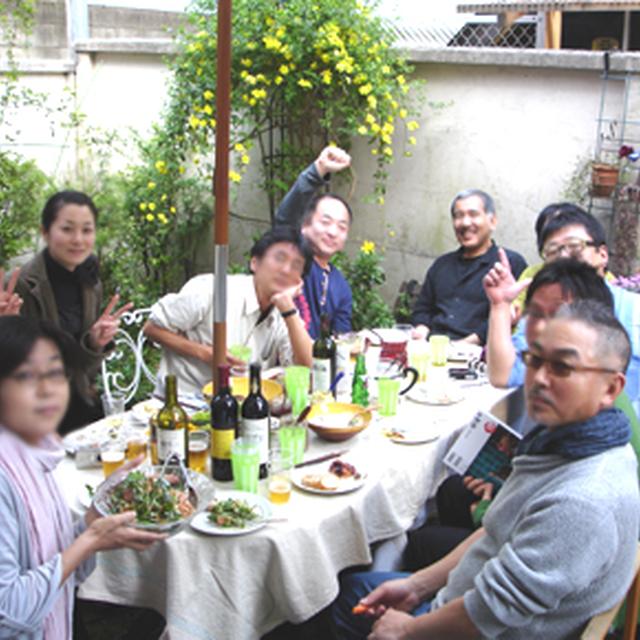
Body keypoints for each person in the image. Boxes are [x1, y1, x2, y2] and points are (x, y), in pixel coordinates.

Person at [333, 300, 639, 639]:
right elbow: (498, 531)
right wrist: (416, 585)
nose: (538, 380)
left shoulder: (582, 501)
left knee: (340, 603)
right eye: (534, 361)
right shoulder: (575, 442)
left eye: (563, 368)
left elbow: (486, 614)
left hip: (484, 627)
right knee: (357, 587)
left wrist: (408, 630)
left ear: (611, 389)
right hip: (469, 594)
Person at [404, 259, 639, 573]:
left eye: (556, 314)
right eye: (535, 313)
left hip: (544, 564)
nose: (540, 327)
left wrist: (486, 509)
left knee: (419, 542)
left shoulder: (589, 415)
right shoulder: (568, 381)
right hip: (528, 523)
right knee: (451, 490)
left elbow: (536, 535)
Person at [0, 316, 164, 638]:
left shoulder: (33, 455)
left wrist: (93, 517)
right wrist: (89, 541)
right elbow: (8, 612)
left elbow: (60, 565)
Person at [485, 203, 640, 412]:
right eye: (553, 251)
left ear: (602, 254)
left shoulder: (634, 310)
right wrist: (500, 306)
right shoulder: (545, 314)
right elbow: (503, 374)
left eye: (574, 246)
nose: (564, 257)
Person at [144, 226, 314, 397]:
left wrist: (290, 312)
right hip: (184, 403)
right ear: (254, 263)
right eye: (279, 258)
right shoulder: (212, 290)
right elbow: (151, 328)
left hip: (243, 407)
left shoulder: (283, 309)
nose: (286, 270)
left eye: (296, 265)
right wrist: (206, 353)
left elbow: (306, 368)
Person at [14, 191, 131, 434]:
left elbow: (79, 363)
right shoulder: (20, 286)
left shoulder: (90, 283)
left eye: (87, 230)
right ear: (45, 232)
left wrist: (94, 342)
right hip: (32, 415)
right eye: (67, 229)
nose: (78, 239)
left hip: (77, 406)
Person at [411, 189, 527, 345]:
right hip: (434, 349)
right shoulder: (441, 265)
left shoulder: (509, 264)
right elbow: (422, 309)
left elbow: (510, 316)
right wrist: (422, 329)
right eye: (458, 216)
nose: (465, 223)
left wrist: (466, 343)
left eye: (473, 214)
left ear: (492, 221)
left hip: (480, 355)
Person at [275, 145, 353, 338]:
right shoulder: (293, 259)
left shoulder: (341, 286)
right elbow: (287, 216)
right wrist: (319, 169)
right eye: (326, 222)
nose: (333, 232)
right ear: (304, 226)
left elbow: (341, 338)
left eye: (342, 227)